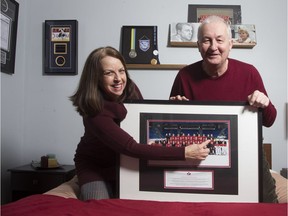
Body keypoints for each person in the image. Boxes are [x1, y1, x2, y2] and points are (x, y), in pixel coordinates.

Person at [70, 46, 211, 201]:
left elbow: (143, 124)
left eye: (121, 71)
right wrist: (184, 153)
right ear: (95, 78)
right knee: (99, 206)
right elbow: (131, 147)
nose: (118, 78)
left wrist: (174, 107)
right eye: (109, 73)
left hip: (126, 162)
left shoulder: (129, 87)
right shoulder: (95, 113)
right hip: (96, 166)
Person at [169, 16, 278, 203]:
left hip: (248, 151)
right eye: (206, 40)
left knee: (267, 200)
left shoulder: (249, 73)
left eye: (219, 40)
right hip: (201, 154)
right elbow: (171, 128)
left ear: (231, 44)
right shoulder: (184, 76)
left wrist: (265, 103)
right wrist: (175, 110)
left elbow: (269, 120)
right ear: (198, 45)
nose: (213, 47)